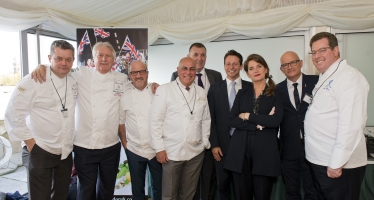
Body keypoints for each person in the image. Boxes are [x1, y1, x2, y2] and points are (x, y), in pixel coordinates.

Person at [5, 40, 77, 200]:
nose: (64, 63)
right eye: (59, 58)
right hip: (40, 149)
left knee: (61, 196)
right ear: (50, 57)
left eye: (68, 59)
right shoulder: (33, 80)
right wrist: (31, 144)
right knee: (40, 197)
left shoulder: (73, 79)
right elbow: (13, 113)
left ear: (73, 60)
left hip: (64, 152)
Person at [305, 32, 369, 200]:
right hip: (321, 161)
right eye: (314, 52)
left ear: (336, 50)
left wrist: (336, 163)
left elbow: (350, 124)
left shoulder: (348, 77)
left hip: (338, 166)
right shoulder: (326, 76)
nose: (317, 56)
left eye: (322, 50)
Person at [151, 57, 211, 200]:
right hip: (171, 153)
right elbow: (155, 121)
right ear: (178, 70)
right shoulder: (164, 90)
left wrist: (204, 142)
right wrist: (159, 149)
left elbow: (206, 119)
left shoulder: (201, 91)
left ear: (196, 71)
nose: (188, 72)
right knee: (169, 195)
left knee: (188, 194)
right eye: (184, 68)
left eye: (192, 69)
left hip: (195, 153)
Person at [225, 54, 283, 200]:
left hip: (265, 150)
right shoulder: (242, 92)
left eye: (259, 66)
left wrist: (248, 116)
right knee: (241, 195)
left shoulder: (277, 93)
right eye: (251, 68)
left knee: (262, 195)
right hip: (240, 149)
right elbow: (231, 119)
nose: (255, 70)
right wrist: (257, 125)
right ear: (247, 73)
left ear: (266, 69)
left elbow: (275, 120)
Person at [170, 42, 222, 200]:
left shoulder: (216, 76)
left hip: (208, 138)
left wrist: (213, 141)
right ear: (188, 56)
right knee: (187, 183)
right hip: (185, 140)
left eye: (203, 55)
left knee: (208, 180)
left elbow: (217, 110)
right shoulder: (176, 75)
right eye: (195, 55)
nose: (199, 58)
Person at [207, 50, 252, 199]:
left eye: (235, 64)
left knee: (243, 190)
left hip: (244, 147)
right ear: (224, 66)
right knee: (223, 188)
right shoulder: (214, 89)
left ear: (240, 66)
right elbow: (211, 119)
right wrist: (214, 144)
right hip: (221, 149)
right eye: (228, 64)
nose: (231, 67)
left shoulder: (250, 87)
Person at [277, 51, 318, 200]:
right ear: (281, 69)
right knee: (291, 192)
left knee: (312, 190)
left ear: (301, 63)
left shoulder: (316, 82)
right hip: (288, 149)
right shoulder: (277, 90)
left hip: (312, 147)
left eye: (293, 62)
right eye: (285, 65)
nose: (290, 67)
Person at [118, 60, 162, 200]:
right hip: (135, 150)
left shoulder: (158, 92)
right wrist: (126, 145)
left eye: (141, 72)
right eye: (134, 73)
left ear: (147, 74)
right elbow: (120, 123)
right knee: (137, 190)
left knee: (159, 188)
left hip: (157, 150)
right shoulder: (124, 97)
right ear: (129, 75)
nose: (138, 76)